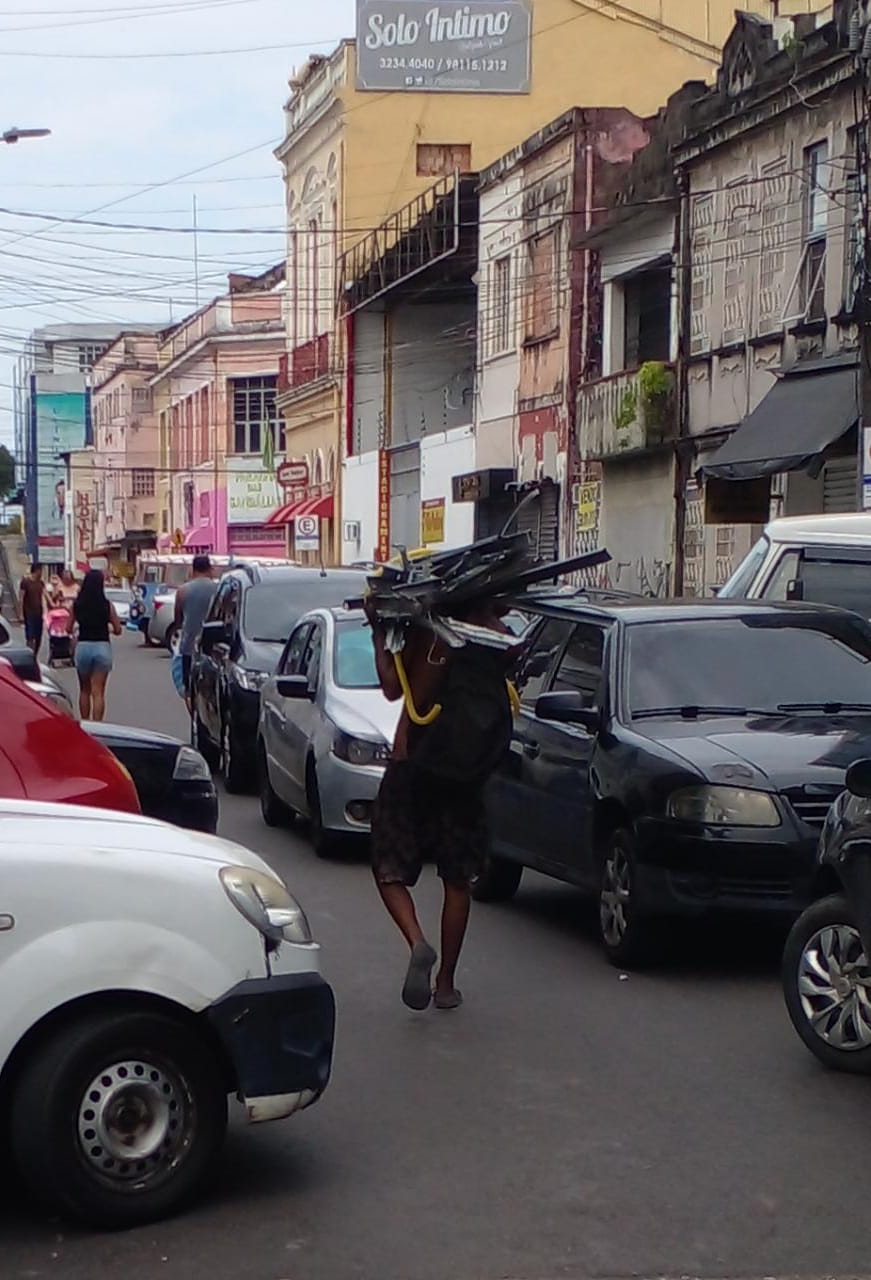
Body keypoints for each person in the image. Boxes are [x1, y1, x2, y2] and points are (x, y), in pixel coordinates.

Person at [366, 599, 517, 1012]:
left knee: (388, 867)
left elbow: (394, 689)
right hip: (466, 773)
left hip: (411, 762)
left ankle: (417, 941)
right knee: (457, 879)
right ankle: (446, 984)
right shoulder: (495, 636)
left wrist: (379, 635)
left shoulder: (426, 629)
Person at [69, 569, 121, 722]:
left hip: (83, 646)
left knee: (84, 690)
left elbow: (67, 628)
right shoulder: (107, 605)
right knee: (98, 692)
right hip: (102, 647)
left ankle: (85, 723)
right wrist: (109, 628)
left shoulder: (77, 605)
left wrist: (78, 628)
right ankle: (98, 726)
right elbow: (118, 629)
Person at [174, 554, 216, 711]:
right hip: (212, 648)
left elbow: (178, 620)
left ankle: (194, 718)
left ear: (192, 569)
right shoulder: (217, 589)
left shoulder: (183, 591)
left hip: (189, 647)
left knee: (189, 690)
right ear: (210, 568)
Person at [19, 563, 48, 657]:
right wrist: (21, 614)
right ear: (37, 570)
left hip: (38, 613)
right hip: (29, 612)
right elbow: (21, 598)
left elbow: (44, 596)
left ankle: (34, 656)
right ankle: (29, 655)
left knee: (38, 637)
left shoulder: (41, 583)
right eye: (41, 570)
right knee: (30, 636)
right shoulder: (26, 582)